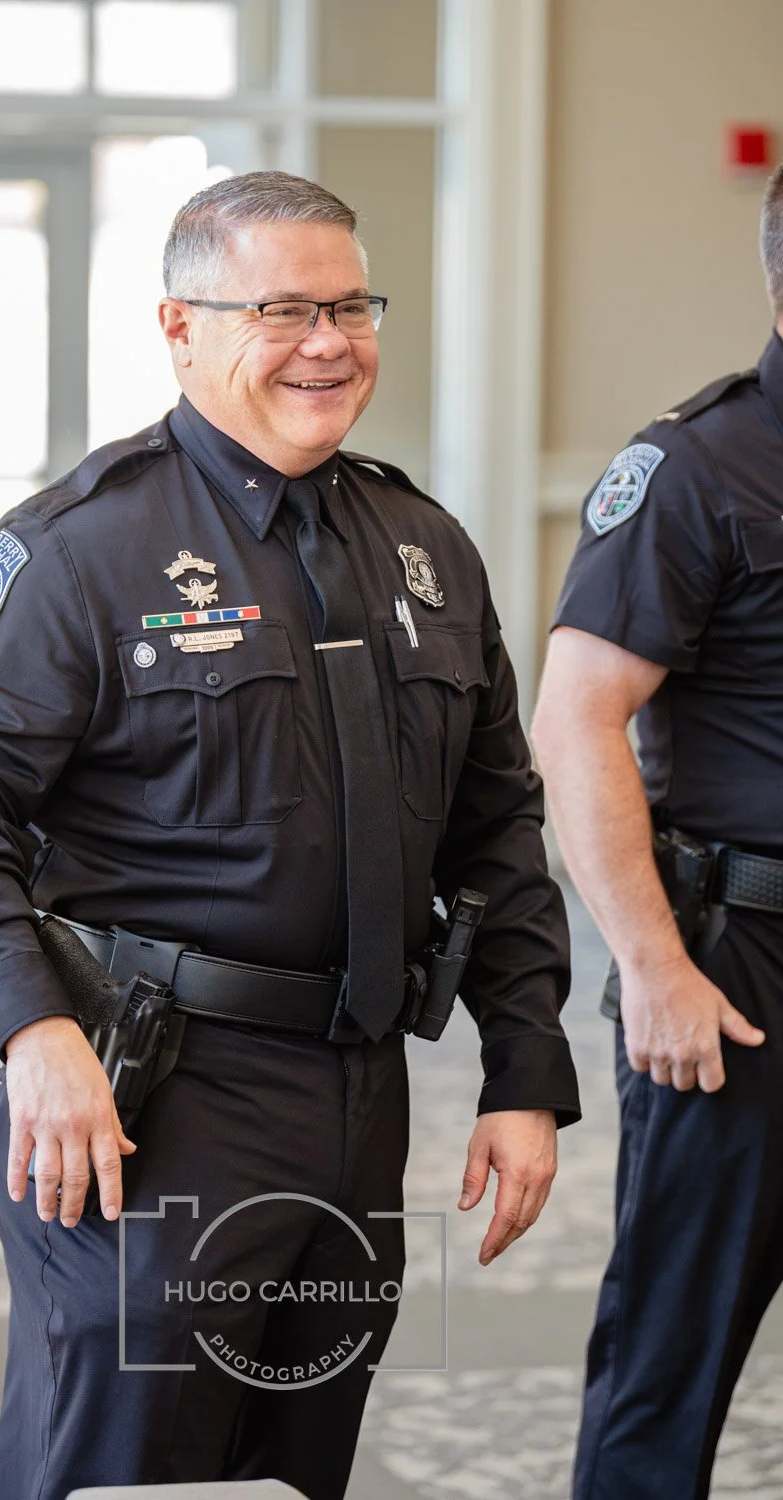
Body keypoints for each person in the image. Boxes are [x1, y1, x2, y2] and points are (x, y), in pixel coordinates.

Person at [0, 170, 579, 1500]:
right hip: (153, 1100)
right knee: (127, 1466)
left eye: (351, 304)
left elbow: (498, 824)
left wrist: (523, 1067)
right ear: (180, 327)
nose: (329, 340)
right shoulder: (84, 550)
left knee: (296, 1464)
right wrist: (35, 1033)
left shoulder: (425, 547)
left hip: (361, 1087)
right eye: (281, 308)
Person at [532, 165, 783, 1500]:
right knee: (670, 1358)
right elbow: (575, 721)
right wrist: (654, 966)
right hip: (744, 975)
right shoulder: (695, 465)